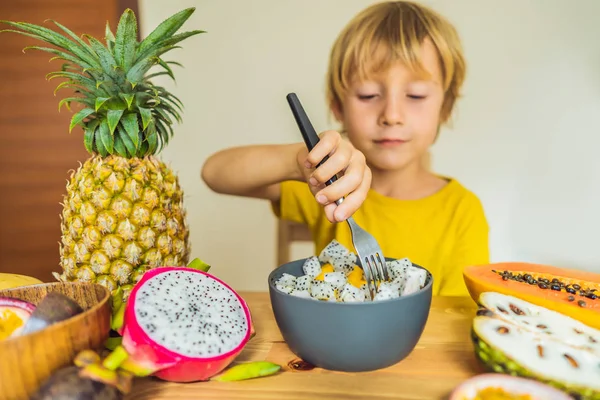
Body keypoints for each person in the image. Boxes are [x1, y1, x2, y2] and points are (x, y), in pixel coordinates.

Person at [201, 0, 489, 296]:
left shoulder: (463, 211)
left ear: (446, 106)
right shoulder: (326, 183)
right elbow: (215, 173)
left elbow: (458, 316)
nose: (391, 115)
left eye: (415, 95)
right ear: (337, 105)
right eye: (368, 95)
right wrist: (299, 160)